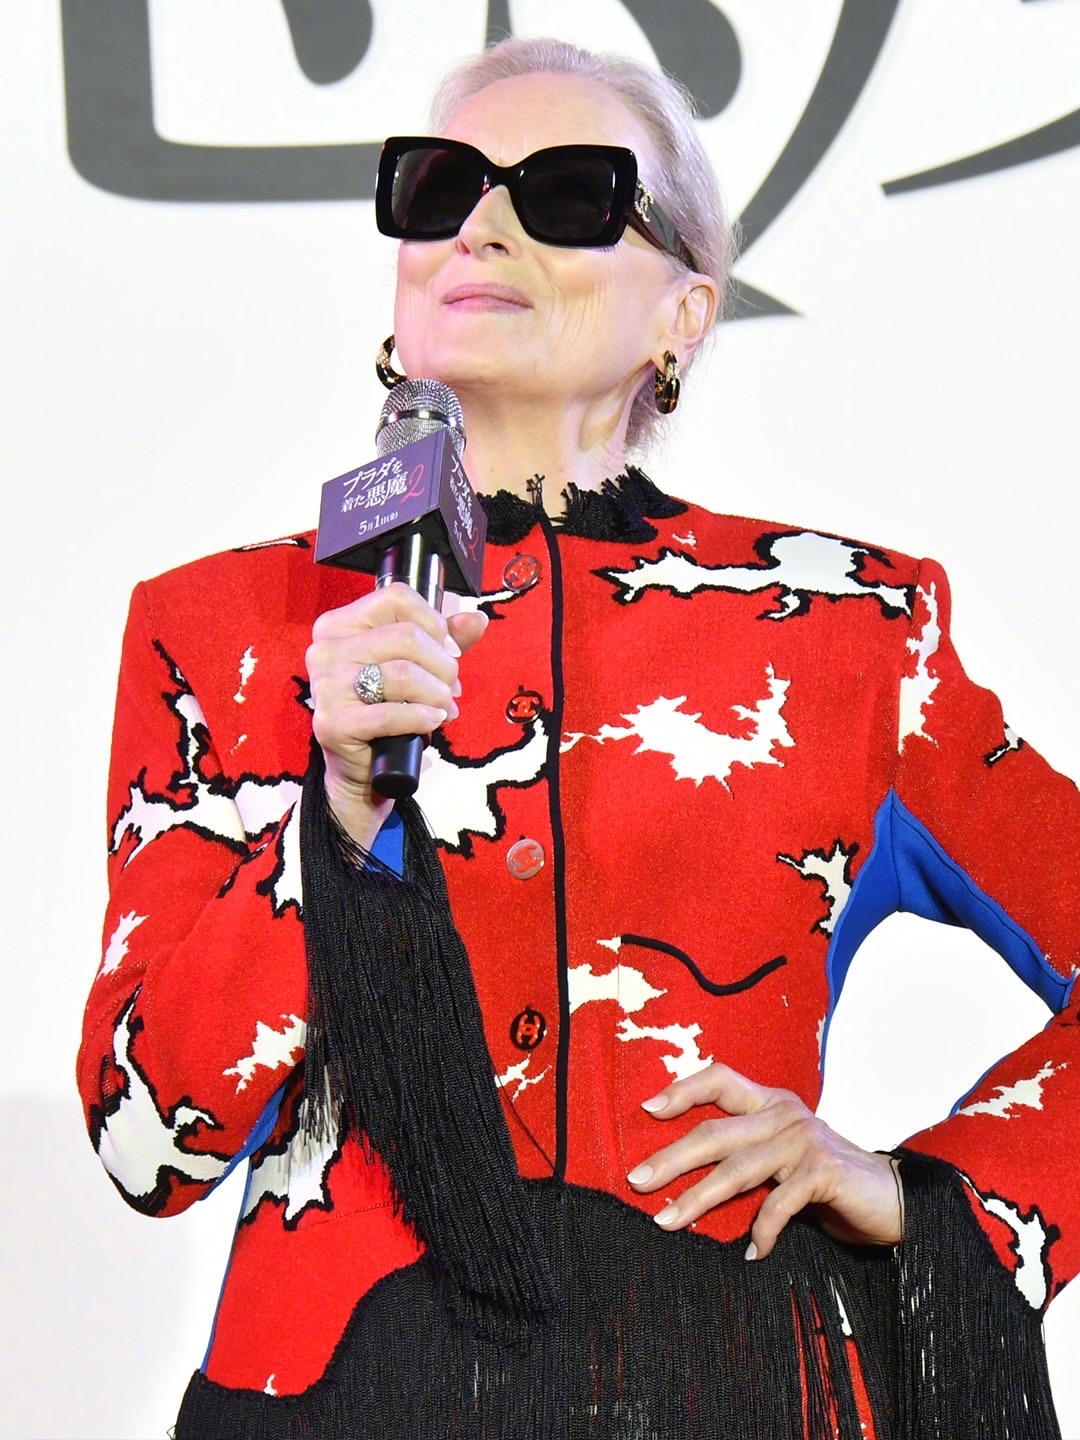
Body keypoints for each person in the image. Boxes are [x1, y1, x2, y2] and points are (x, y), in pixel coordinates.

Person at [78, 36, 1078, 1440]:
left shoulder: (851, 629)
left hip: (733, 1381)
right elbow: (145, 1140)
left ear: (686, 313)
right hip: (339, 1395)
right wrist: (339, 804)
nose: (481, 226)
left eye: (566, 192)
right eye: (439, 188)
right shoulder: (225, 629)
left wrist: (927, 1197)